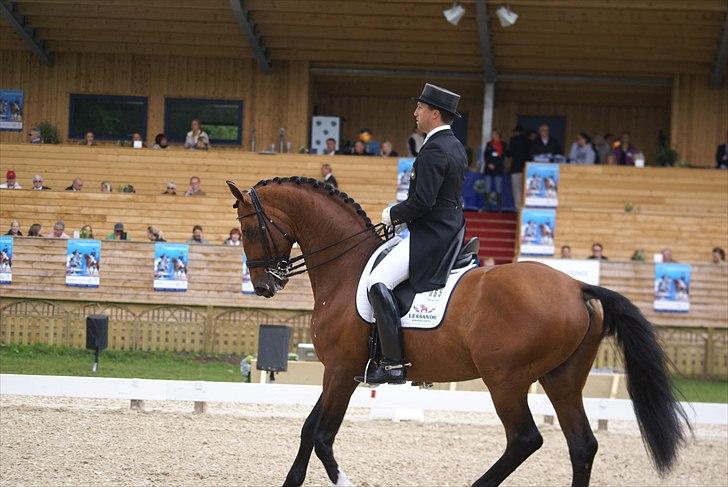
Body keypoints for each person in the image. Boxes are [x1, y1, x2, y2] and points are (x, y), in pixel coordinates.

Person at [355, 83, 467, 385]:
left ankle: (392, 363)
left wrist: (392, 214)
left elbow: (423, 202)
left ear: (434, 113)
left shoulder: (433, 150)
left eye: (420, 107)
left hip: (431, 235)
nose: (415, 112)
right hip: (449, 229)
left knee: (377, 282)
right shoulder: (455, 145)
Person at [483, 129, 507, 210]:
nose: (493, 136)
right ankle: (486, 207)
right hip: (488, 169)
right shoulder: (489, 144)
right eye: (492, 134)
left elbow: (503, 157)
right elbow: (485, 155)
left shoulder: (503, 144)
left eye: (495, 134)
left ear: (498, 136)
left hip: (498, 169)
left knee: (498, 188)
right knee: (487, 188)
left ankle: (499, 208)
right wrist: (489, 164)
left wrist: (495, 165)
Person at [507, 125, 530, 208]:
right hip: (526, 168)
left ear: (516, 132)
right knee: (525, 188)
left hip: (516, 167)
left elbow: (509, 153)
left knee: (516, 188)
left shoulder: (513, 140)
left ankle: (517, 207)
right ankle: (525, 206)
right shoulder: (528, 141)